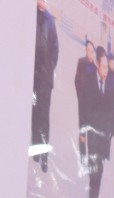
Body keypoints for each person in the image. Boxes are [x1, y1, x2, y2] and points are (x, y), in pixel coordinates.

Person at [80, 47, 114, 198]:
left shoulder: (109, 85)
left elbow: (112, 111)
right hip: (93, 134)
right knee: (95, 170)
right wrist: (82, 132)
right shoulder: (90, 82)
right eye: (103, 67)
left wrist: (113, 132)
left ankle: (95, 195)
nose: (106, 71)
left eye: (107, 67)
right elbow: (83, 108)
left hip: (104, 137)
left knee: (99, 171)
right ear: (97, 66)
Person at [31, 0, 58, 173]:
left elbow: (55, 50)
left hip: (45, 80)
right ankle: (35, 149)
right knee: (34, 114)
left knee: (44, 117)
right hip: (33, 78)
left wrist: (47, 69)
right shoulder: (30, 15)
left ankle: (44, 155)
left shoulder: (50, 21)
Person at [73, 40, 96, 165]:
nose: (90, 53)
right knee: (82, 132)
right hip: (83, 104)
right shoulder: (81, 62)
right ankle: (82, 158)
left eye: (92, 51)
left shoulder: (95, 68)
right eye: (88, 50)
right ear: (85, 50)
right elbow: (76, 81)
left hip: (92, 106)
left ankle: (90, 158)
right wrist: (80, 97)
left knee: (90, 132)